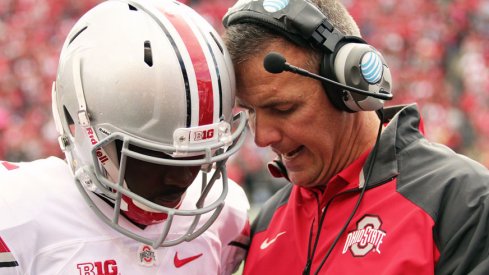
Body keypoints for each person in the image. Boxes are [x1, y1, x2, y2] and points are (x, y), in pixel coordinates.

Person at [221, 0, 489, 274]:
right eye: (250, 111)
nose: (261, 137)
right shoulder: (267, 221)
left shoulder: (462, 198)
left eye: (283, 108)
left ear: (350, 85)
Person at [0, 0, 250, 274]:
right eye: (157, 156)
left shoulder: (225, 217)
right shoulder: (17, 215)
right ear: (84, 127)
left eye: (200, 154)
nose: (182, 178)